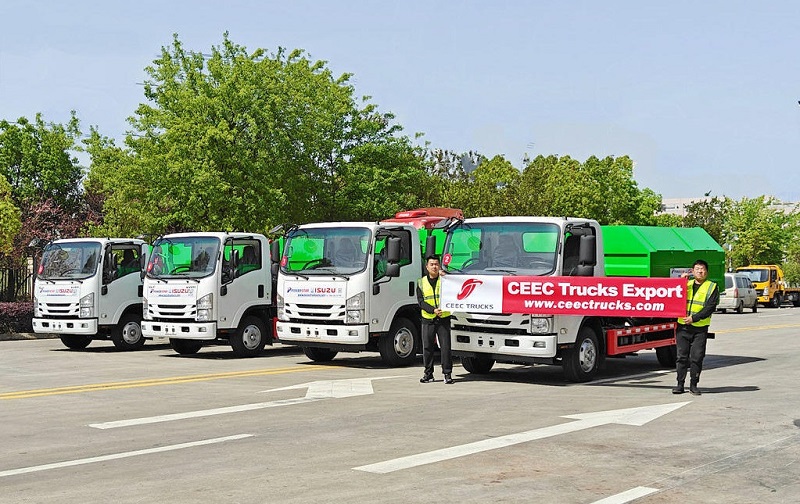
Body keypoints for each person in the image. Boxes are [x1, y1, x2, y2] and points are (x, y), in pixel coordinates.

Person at [673, 259, 719, 396]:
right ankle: (679, 385)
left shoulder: (712, 287)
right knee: (681, 357)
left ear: (707, 271)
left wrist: (694, 318)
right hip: (682, 327)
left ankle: (694, 384)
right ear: (692, 271)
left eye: (703, 269)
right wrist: (680, 282)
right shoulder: (685, 284)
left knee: (696, 357)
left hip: (699, 328)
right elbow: (672, 296)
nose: (700, 271)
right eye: (697, 269)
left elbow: (710, 307)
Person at [417, 255, 453, 384]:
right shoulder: (421, 282)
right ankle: (428, 374)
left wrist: (446, 275)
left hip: (443, 318)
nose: (434, 266)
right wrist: (433, 310)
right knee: (427, 348)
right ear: (427, 267)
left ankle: (447, 374)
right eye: (431, 264)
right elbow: (421, 302)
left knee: (445, 347)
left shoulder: (445, 280)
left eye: (436, 264)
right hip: (428, 318)